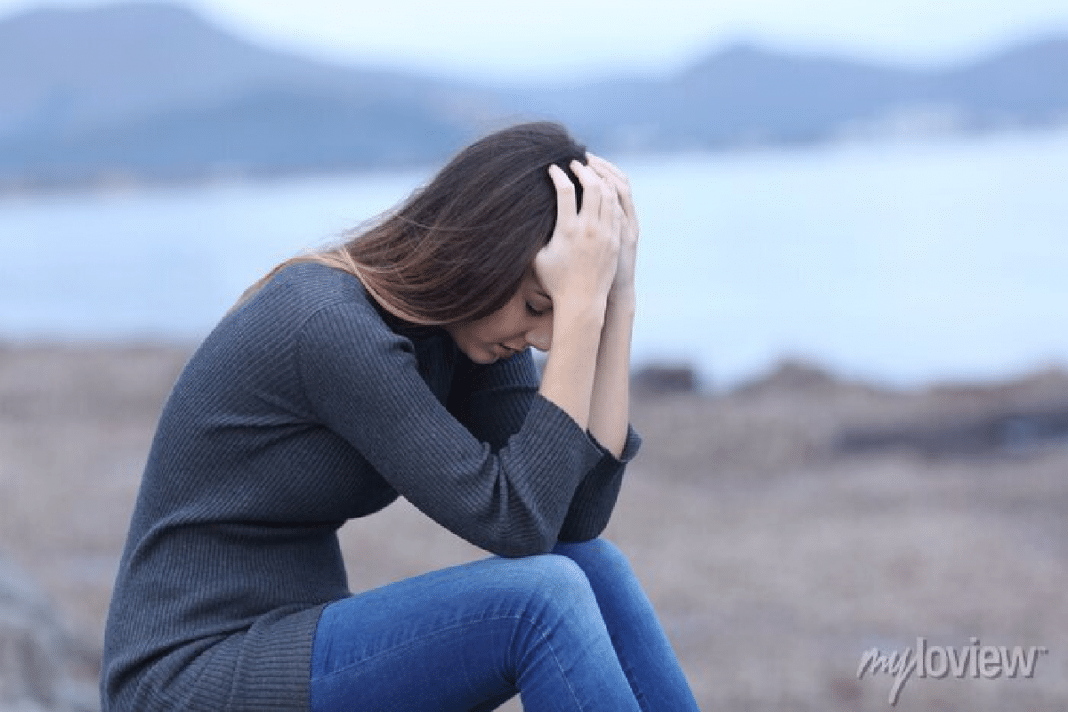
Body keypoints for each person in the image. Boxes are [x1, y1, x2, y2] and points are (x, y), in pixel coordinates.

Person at [100, 121, 699, 711]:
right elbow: (516, 523)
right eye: (538, 308)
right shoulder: (330, 324)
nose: (545, 340)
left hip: (296, 641)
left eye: (560, 315)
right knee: (541, 601)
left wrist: (613, 303)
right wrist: (578, 319)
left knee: (591, 566)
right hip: (186, 675)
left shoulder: (468, 332)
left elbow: (574, 520)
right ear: (482, 259)